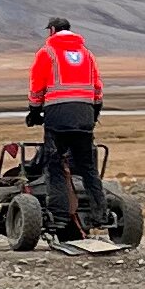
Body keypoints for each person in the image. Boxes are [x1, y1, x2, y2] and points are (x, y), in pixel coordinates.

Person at [24, 14, 104, 237]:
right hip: (85, 116)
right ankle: (100, 215)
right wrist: (94, 112)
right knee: (88, 167)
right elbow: (97, 87)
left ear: (51, 31)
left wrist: (33, 111)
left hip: (58, 116)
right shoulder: (86, 54)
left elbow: (37, 84)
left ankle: (59, 217)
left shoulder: (47, 52)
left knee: (55, 166)